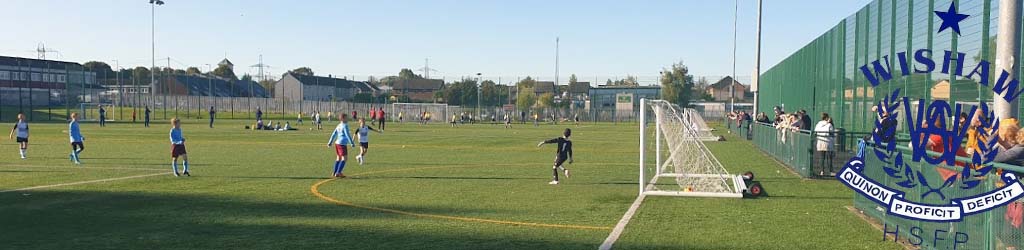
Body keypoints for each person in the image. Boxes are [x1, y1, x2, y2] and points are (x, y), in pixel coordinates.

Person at [327, 114, 356, 178]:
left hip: (337, 143)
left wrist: (330, 142)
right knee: (344, 158)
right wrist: (352, 143)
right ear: (343, 119)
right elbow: (347, 134)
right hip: (342, 144)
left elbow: (334, 134)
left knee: (338, 158)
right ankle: (338, 172)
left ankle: (334, 172)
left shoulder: (338, 125)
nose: (347, 119)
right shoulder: (345, 126)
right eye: (346, 118)